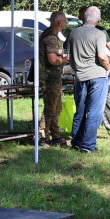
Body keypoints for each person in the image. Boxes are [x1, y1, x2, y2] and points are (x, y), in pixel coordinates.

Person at [67, 6, 110, 152]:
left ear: (84, 17)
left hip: (80, 76)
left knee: (80, 109)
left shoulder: (73, 33)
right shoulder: (99, 34)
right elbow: (101, 56)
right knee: (94, 112)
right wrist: (107, 68)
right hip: (97, 76)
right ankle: (87, 145)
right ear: (99, 19)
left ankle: (76, 141)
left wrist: (77, 68)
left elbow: (68, 57)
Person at [38, 11, 69, 146]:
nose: (66, 23)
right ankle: (43, 138)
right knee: (50, 109)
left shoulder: (52, 35)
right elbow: (53, 59)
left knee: (56, 108)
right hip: (49, 77)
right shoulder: (50, 38)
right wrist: (65, 59)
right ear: (60, 22)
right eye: (65, 20)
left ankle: (55, 136)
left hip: (53, 77)